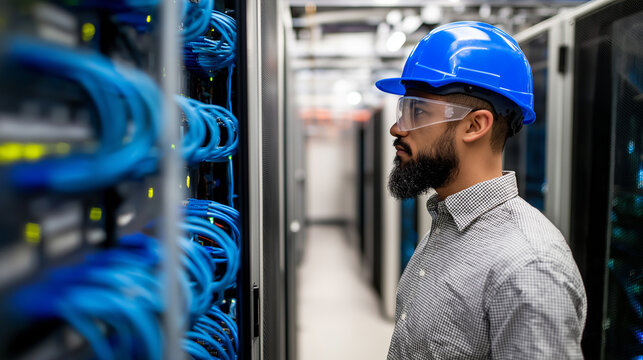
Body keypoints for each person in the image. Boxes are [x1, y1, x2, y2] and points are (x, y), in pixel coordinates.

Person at [375, 22, 587, 359]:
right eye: (403, 110)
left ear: (475, 125)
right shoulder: (446, 223)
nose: (397, 128)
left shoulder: (528, 267)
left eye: (416, 112)